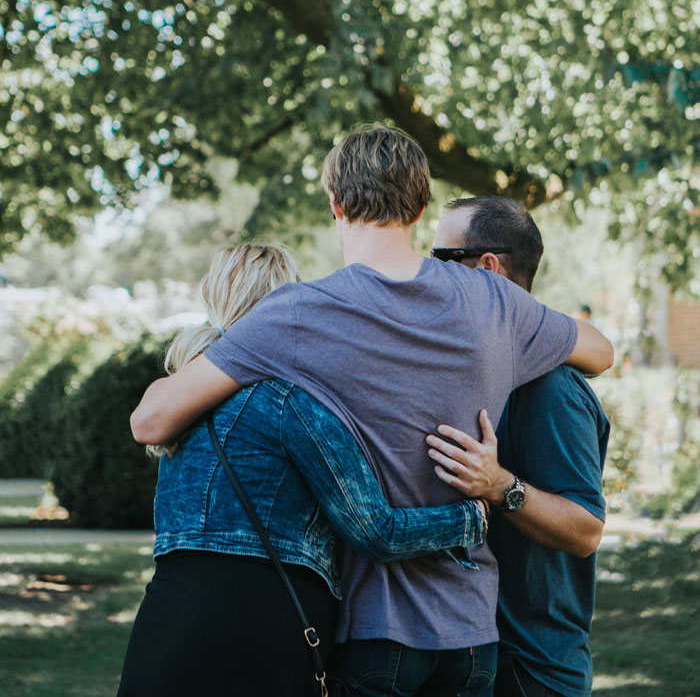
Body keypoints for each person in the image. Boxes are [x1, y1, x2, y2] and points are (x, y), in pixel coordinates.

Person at [131, 125, 614, 696]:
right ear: (421, 206)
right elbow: (601, 351)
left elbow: (151, 422)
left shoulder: (299, 312)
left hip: (375, 633)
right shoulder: (496, 300)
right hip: (472, 636)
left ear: (334, 203)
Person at [118, 243, 489, 697]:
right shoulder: (292, 404)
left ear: (211, 295)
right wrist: (472, 515)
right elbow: (376, 531)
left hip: (167, 623)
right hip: (265, 625)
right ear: (288, 304)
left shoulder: (175, 402)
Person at [425, 196, 609, 697]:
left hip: (533, 671)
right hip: (476, 659)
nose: (428, 272)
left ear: (488, 268)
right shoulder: (483, 368)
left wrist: (498, 485)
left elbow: (586, 529)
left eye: (441, 258)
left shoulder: (551, 389)